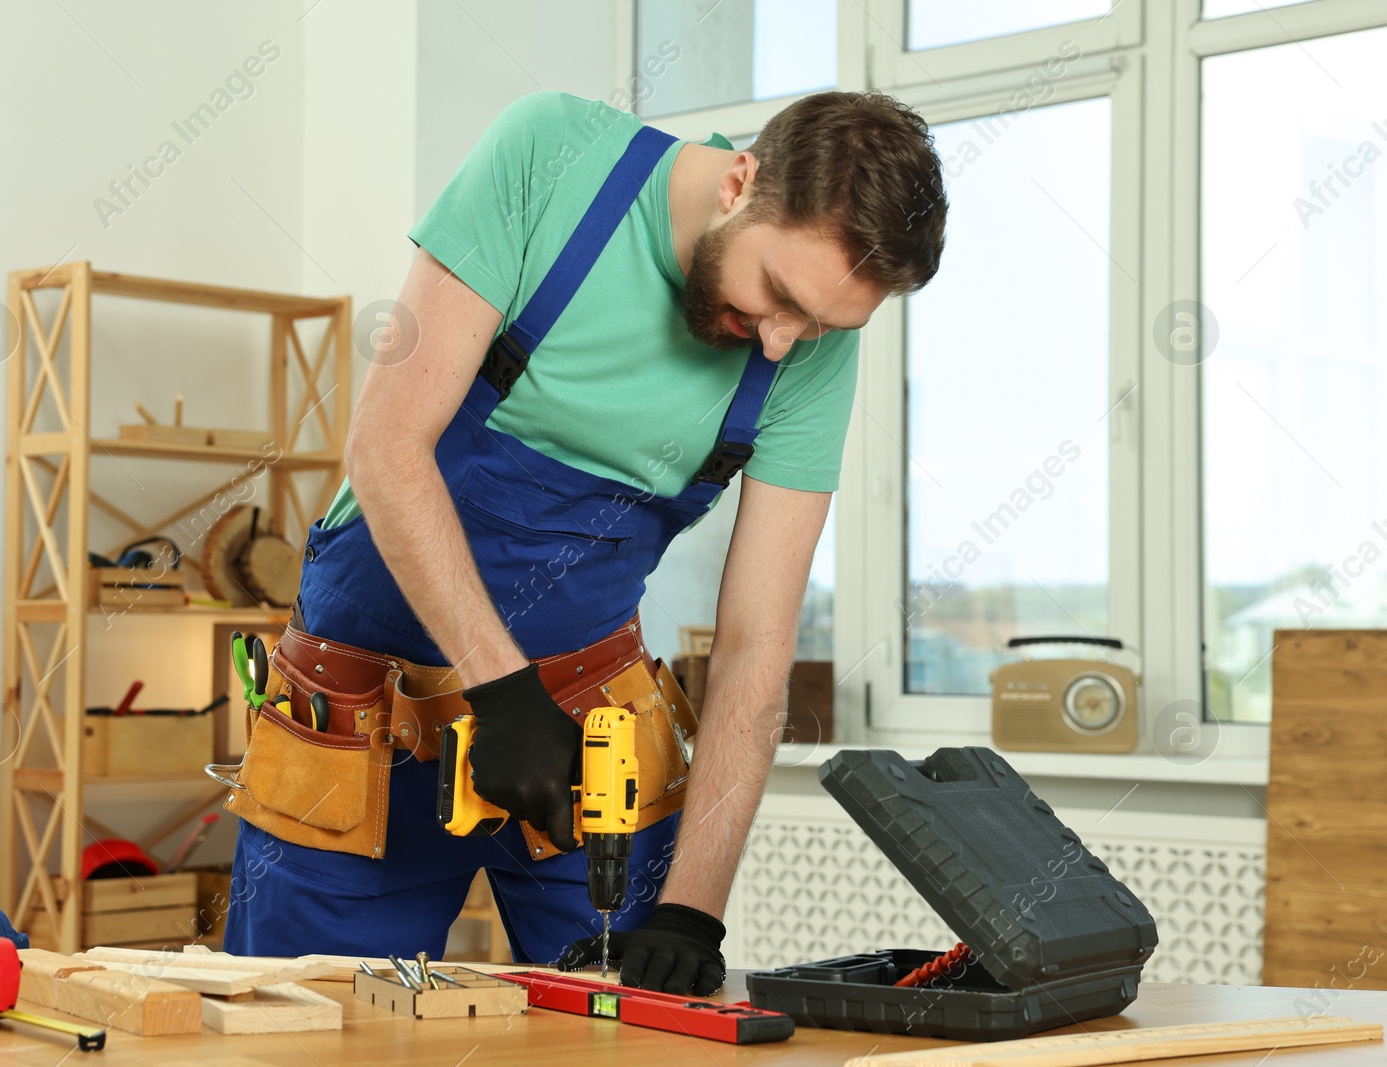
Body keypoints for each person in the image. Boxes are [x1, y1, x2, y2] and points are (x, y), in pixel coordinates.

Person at [221, 88, 946, 996]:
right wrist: (500, 689)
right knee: (305, 1028)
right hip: (365, 721)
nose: (780, 343)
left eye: (822, 326)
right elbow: (388, 446)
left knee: (630, 1030)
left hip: (585, 742)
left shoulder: (811, 344)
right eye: (780, 296)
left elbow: (758, 639)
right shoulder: (553, 157)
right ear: (739, 182)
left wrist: (696, 907)